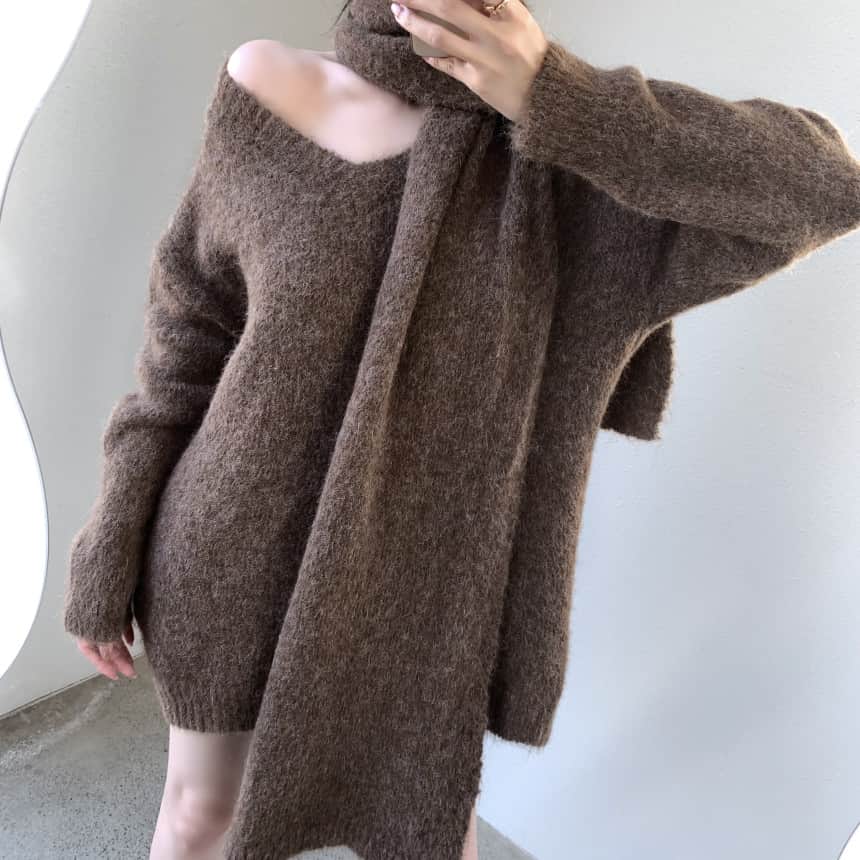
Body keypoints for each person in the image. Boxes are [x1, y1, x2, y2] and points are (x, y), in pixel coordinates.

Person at [69, 1, 543, 856]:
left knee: (431, 828)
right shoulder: (265, 82)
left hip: (410, 576)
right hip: (229, 549)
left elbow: (799, 194)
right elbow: (186, 339)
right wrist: (110, 542)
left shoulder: (541, 153)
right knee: (202, 810)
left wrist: (551, 93)